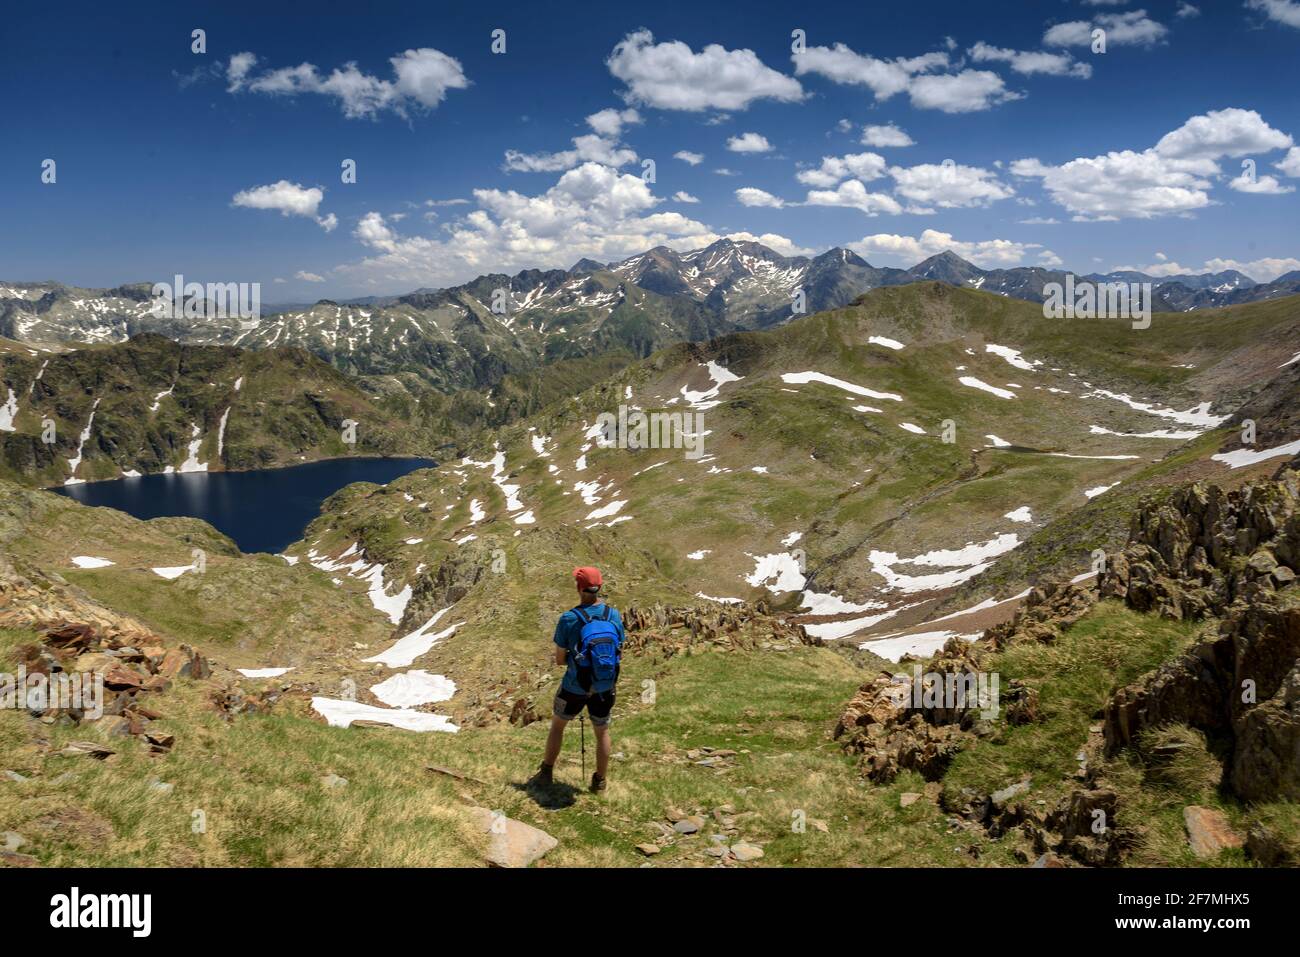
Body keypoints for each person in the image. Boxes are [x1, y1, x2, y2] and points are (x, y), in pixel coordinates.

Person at [531, 566, 624, 792]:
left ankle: (546, 772)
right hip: (604, 685)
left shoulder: (569, 618)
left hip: (575, 685)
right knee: (601, 730)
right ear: (599, 587)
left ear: (579, 588)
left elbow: (560, 659)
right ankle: (600, 782)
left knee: (558, 725)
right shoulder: (613, 615)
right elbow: (619, 649)